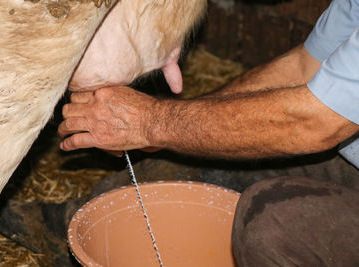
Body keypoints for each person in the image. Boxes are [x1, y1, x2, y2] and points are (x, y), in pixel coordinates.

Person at [59, 0, 359, 265]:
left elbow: (316, 123)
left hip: (328, 130)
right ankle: (67, 224)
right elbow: (302, 67)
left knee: (271, 226)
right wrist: (165, 129)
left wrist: (153, 123)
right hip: (345, 149)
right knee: (172, 170)